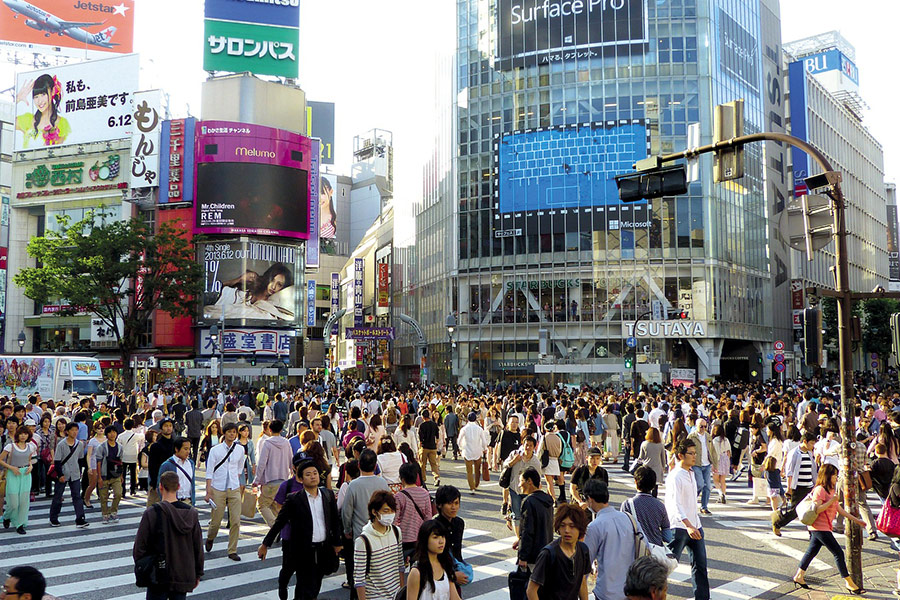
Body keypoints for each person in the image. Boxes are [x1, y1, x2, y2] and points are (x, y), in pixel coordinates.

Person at [258, 453, 343, 600]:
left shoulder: (328, 495)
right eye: (308, 474)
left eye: (315, 473)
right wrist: (265, 544)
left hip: (323, 548)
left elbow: (335, 521)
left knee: (316, 584)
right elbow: (280, 522)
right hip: (303, 550)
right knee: (304, 586)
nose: (313, 476)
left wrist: (337, 543)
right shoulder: (294, 499)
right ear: (301, 479)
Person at [791, 463, 867, 593]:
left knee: (812, 552)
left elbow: (839, 509)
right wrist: (831, 501)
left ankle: (799, 576)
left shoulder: (831, 490)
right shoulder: (820, 490)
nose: (836, 478)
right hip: (819, 527)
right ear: (827, 476)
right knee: (838, 552)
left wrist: (857, 520)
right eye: (834, 476)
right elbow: (817, 509)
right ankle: (849, 583)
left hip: (824, 527)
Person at [133, 471, 204, 600]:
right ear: (178, 487)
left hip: (158, 575)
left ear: (161, 487)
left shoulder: (152, 513)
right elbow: (198, 547)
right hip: (182, 574)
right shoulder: (191, 514)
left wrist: (143, 568)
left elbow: (139, 547)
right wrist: (198, 573)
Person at [342, 449, 392, 597]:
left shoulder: (353, 485)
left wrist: (347, 529)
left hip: (360, 534)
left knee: (360, 572)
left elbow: (347, 511)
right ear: (375, 465)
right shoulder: (382, 483)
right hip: (380, 533)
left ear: (359, 465)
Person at [664, 439, 709, 600]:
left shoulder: (691, 473)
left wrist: (695, 523)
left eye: (695, 453)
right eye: (691, 453)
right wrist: (688, 525)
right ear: (680, 455)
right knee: (667, 566)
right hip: (680, 527)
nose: (694, 456)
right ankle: (652, 594)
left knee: (700, 566)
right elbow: (675, 505)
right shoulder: (675, 476)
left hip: (695, 524)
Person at [582, 479, 635, 600]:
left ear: (590, 499)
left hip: (607, 592)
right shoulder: (629, 519)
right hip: (632, 589)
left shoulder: (594, 527)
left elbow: (585, 564)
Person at [525, 503, 591, 600]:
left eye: (572, 526)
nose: (567, 530)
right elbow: (531, 590)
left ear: (580, 528)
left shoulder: (583, 550)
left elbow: (582, 582)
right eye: (563, 525)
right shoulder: (548, 554)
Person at [204, 422, 246, 561]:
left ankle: (232, 550)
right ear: (224, 433)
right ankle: (210, 537)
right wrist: (208, 491)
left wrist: (237, 482)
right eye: (229, 432)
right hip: (218, 488)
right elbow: (209, 471)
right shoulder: (215, 450)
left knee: (235, 520)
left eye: (234, 432)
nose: (232, 434)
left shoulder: (240, 449)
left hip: (233, 487)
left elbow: (240, 467)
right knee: (216, 520)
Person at [353, 490, 405, 600]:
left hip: (395, 595)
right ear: (374, 512)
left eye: (392, 511)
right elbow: (359, 579)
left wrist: (401, 592)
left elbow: (400, 565)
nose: (390, 514)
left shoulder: (396, 532)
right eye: (386, 511)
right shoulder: (363, 541)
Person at [773, 432, 818, 536]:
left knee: (811, 510)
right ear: (805, 442)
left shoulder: (810, 453)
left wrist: (815, 484)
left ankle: (813, 534)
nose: (812, 446)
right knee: (795, 511)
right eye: (811, 443)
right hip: (798, 487)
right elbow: (789, 471)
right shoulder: (794, 453)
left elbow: (813, 470)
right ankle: (778, 523)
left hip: (809, 485)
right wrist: (789, 487)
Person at [406, 519, 462, 600]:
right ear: (425, 540)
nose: (441, 541)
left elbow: (454, 597)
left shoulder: (445, 565)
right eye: (435, 537)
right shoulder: (417, 572)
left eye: (443, 537)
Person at [253, 419, 293, 526]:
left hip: (270, 480)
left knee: (262, 505)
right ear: (281, 430)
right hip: (284, 479)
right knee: (276, 506)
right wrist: (292, 475)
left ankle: (275, 527)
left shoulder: (267, 443)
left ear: (270, 429)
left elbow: (262, 464)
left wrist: (256, 480)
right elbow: (291, 461)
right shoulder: (286, 442)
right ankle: (283, 527)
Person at [49, 422, 89, 528]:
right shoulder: (62, 444)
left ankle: (80, 518)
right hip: (63, 472)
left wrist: (80, 472)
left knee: (77, 496)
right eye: (72, 430)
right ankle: (53, 518)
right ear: (67, 431)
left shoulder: (79, 444)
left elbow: (80, 459)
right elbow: (57, 461)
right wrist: (60, 475)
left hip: (75, 473)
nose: (75, 432)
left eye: (76, 430)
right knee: (58, 496)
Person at [15, 73, 71, 148]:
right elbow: (8, 122)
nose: (39, 101)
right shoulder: (28, 119)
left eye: (43, 94)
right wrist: (17, 99)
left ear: (53, 91)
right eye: (36, 97)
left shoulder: (61, 123)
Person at [621, 466, 671, 547]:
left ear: (636, 482)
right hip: (655, 551)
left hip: (635, 550)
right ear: (654, 485)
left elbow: (623, 530)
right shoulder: (660, 506)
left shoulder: (627, 504)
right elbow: (667, 537)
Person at [0, 425, 36, 534]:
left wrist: (30, 466)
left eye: (25, 434)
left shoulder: (31, 446)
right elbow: (1, 459)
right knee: (13, 502)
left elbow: (29, 459)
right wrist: (11, 468)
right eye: (21, 434)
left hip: (25, 474)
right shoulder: (10, 447)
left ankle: (20, 524)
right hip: (13, 474)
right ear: (18, 435)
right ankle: (7, 516)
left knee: (24, 501)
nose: (23, 436)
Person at [516, 466, 554, 569]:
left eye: (521, 481)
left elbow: (528, 530)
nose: (520, 485)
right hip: (546, 551)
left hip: (533, 556)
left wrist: (523, 557)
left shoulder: (529, 501)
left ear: (529, 481)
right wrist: (520, 541)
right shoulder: (548, 499)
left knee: (530, 584)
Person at [395, 462, 434, 563]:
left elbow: (395, 519)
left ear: (402, 478)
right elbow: (428, 517)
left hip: (403, 538)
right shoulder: (425, 493)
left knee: (400, 568)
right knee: (417, 567)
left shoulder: (399, 496)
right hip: (419, 537)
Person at [503, 435, 542, 533]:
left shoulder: (535, 462)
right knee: (517, 515)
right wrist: (514, 461)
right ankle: (518, 537)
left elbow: (538, 478)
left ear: (534, 447)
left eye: (530, 446)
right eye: (526, 445)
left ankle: (525, 532)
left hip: (528, 491)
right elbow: (505, 465)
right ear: (522, 445)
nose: (528, 448)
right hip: (515, 488)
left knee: (528, 514)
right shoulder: (515, 454)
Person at [433, 485, 470, 585]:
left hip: (456, 570)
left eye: (456, 503)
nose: (454, 507)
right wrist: (451, 575)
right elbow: (432, 558)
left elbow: (457, 551)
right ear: (440, 505)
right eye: (449, 503)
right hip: (439, 577)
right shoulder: (434, 526)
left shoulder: (459, 523)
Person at [94, 425, 125, 524]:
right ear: (107, 434)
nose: (113, 434)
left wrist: (121, 475)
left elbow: (121, 461)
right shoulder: (102, 447)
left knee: (119, 493)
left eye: (114, 432)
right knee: (104, 497)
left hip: (115, 474)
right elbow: (98, 462)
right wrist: (99, 477)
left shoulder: (120, 447)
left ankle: (113, 511)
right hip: (104, 475)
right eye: (110, 432)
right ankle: (105, 514)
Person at [687, 419, 714, 515]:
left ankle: (704, 506)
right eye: (701, 426)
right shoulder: (692, 436)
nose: (703, 428)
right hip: (696, 464)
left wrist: (715, 463)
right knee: (700, 484)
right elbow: (686, 449)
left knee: (707, 487)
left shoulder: (708, 436)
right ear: (696, 426)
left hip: (706, 463)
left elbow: (712, 450)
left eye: (705, 426)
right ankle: (692, 500)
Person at [458, 412, 489, 494]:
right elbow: (483, 441)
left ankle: (472, 488)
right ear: (475, 419)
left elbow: (459, 440)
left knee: (469, 471)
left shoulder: (464, 429)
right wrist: (484, 448)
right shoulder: (479, 429)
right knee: (477, 469)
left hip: (467, 451)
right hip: (477, 451)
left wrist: (461, 448)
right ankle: (476, 484)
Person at [159, 437, 196, 505]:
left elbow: (192, 483)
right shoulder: (167, 465)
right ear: (176, 449)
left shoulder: (191, 463)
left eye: (189, 449)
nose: (188, 451)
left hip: (188, 502)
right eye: (185, 449)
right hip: (173, 502)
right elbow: (160, 485)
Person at [148, 419, 176, 506]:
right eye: (166, 426)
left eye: (170, 426)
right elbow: (152, 466)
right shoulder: (155, 446)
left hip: (173, 480)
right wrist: (154, 482)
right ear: (161, 428)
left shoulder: (176, 444)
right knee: (154, 507)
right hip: (159, 480)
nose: (168, 428)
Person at [418, 409, 441, 487]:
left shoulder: (421, 425)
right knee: (434, 464)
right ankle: (436, 477)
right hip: (433, 447)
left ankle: (423, 480)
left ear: (423, 417)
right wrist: (436, 444)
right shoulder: (434, 424)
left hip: (424, 447)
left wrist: (419, 447)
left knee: (422, 464)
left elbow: (420, 439)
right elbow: (437, 436)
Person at [710, 423, 731, 504]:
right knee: (723, 480)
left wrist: (713, 463)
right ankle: (724, 494)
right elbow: (729, 452)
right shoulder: (726, 439)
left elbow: (714, 453)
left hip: (717, 460)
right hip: (725, 459)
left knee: (715, 480)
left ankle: (720, 493)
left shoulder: (714, 441)